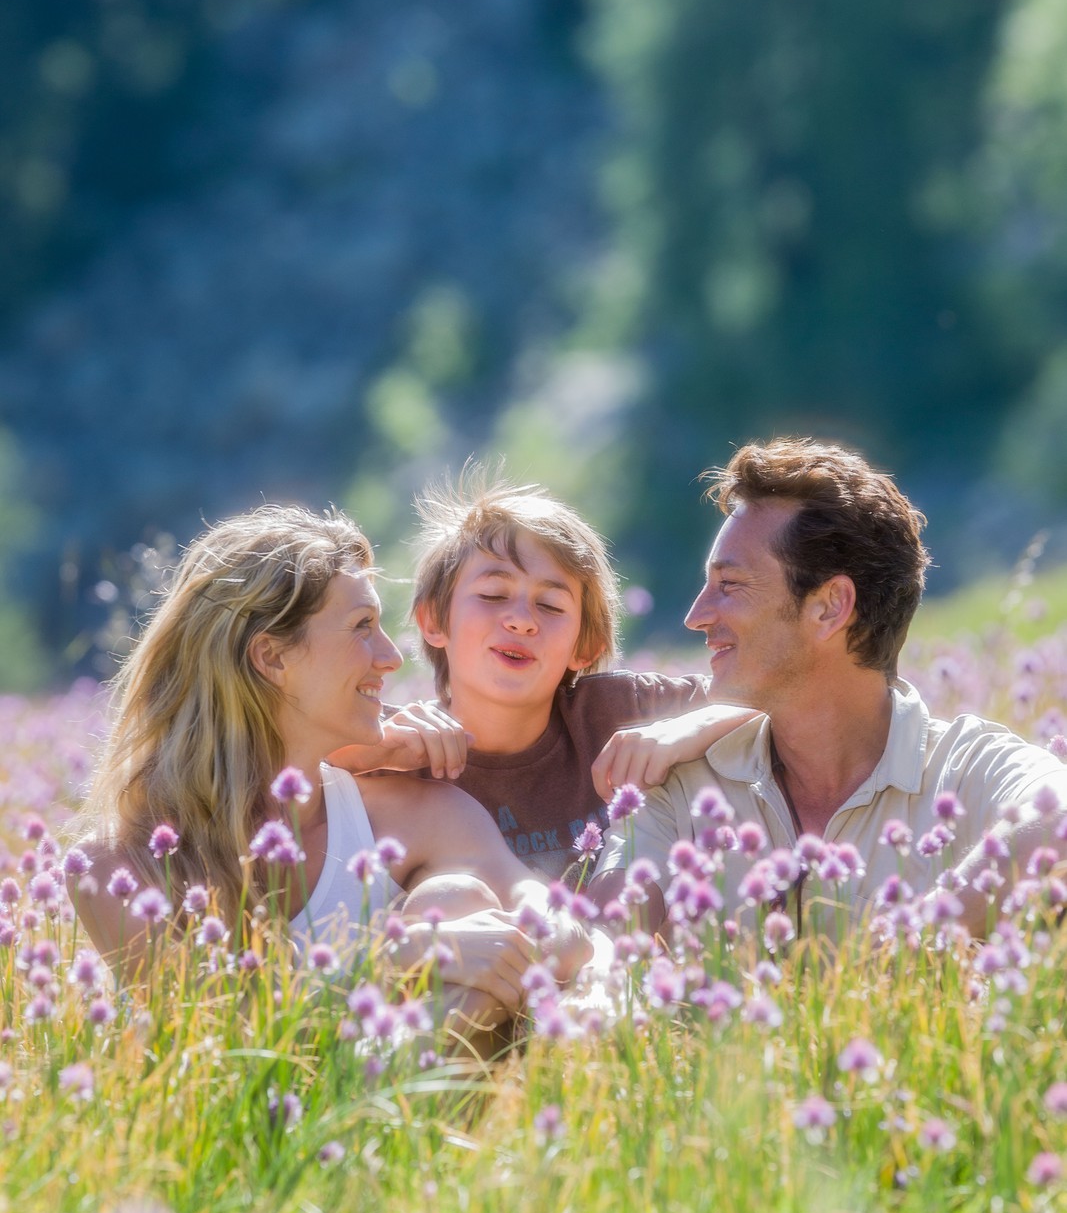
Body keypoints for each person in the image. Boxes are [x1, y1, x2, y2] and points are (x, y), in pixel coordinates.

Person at [67, 505, 593, 1045]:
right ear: (272, 658)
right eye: (363, 627)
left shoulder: (423, 816)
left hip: (391, 1086)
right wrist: (402, 957)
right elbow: (223, 1041)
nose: (390, 658)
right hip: (250, 1123)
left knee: (458, 900)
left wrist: (528, 928)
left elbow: (565, 937)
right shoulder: (118, 864)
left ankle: (388, 1127)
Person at [590, 438, 1067, 936]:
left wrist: (910, 949)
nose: (695, 616)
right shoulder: (682, 785)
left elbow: (1060, 818)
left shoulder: (967, 768)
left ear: (830, 607)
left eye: (729, 585)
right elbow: (603, 947)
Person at [330, 469, 756, 883]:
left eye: (551, 606)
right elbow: (275, 775)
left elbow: (774, 696)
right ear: (433, 621)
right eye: (494, 595)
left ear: (584, 646)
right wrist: (362, 757)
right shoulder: (394, 745)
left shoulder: (626, 712)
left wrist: (686, 727)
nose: (521, 621)